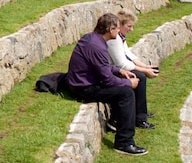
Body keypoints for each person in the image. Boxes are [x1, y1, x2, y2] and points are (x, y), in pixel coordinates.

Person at [63, 13, 150, 157]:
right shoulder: (97, 46)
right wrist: (128, 83)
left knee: (127, 82)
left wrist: (119, 71)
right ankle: (124, 142)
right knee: (126, 93)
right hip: (83, 88)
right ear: (110, 29)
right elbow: (107, 80)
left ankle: (117, 121)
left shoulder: (92, 38)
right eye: (117, 29)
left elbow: (102, 67)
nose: (119, 32)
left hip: (84, 82)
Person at [107, 10, 158, 122]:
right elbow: (121, 63)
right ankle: (140, 117)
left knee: (140, 75)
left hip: (117, 68)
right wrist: (144, 71)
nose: (131, 29)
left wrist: (145, 66)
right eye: (129, 26)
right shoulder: (114, 39)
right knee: (140, 76)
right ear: (120, 24)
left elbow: (129, 54)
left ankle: (140, 112)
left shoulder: (120, 36)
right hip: (113, 70)